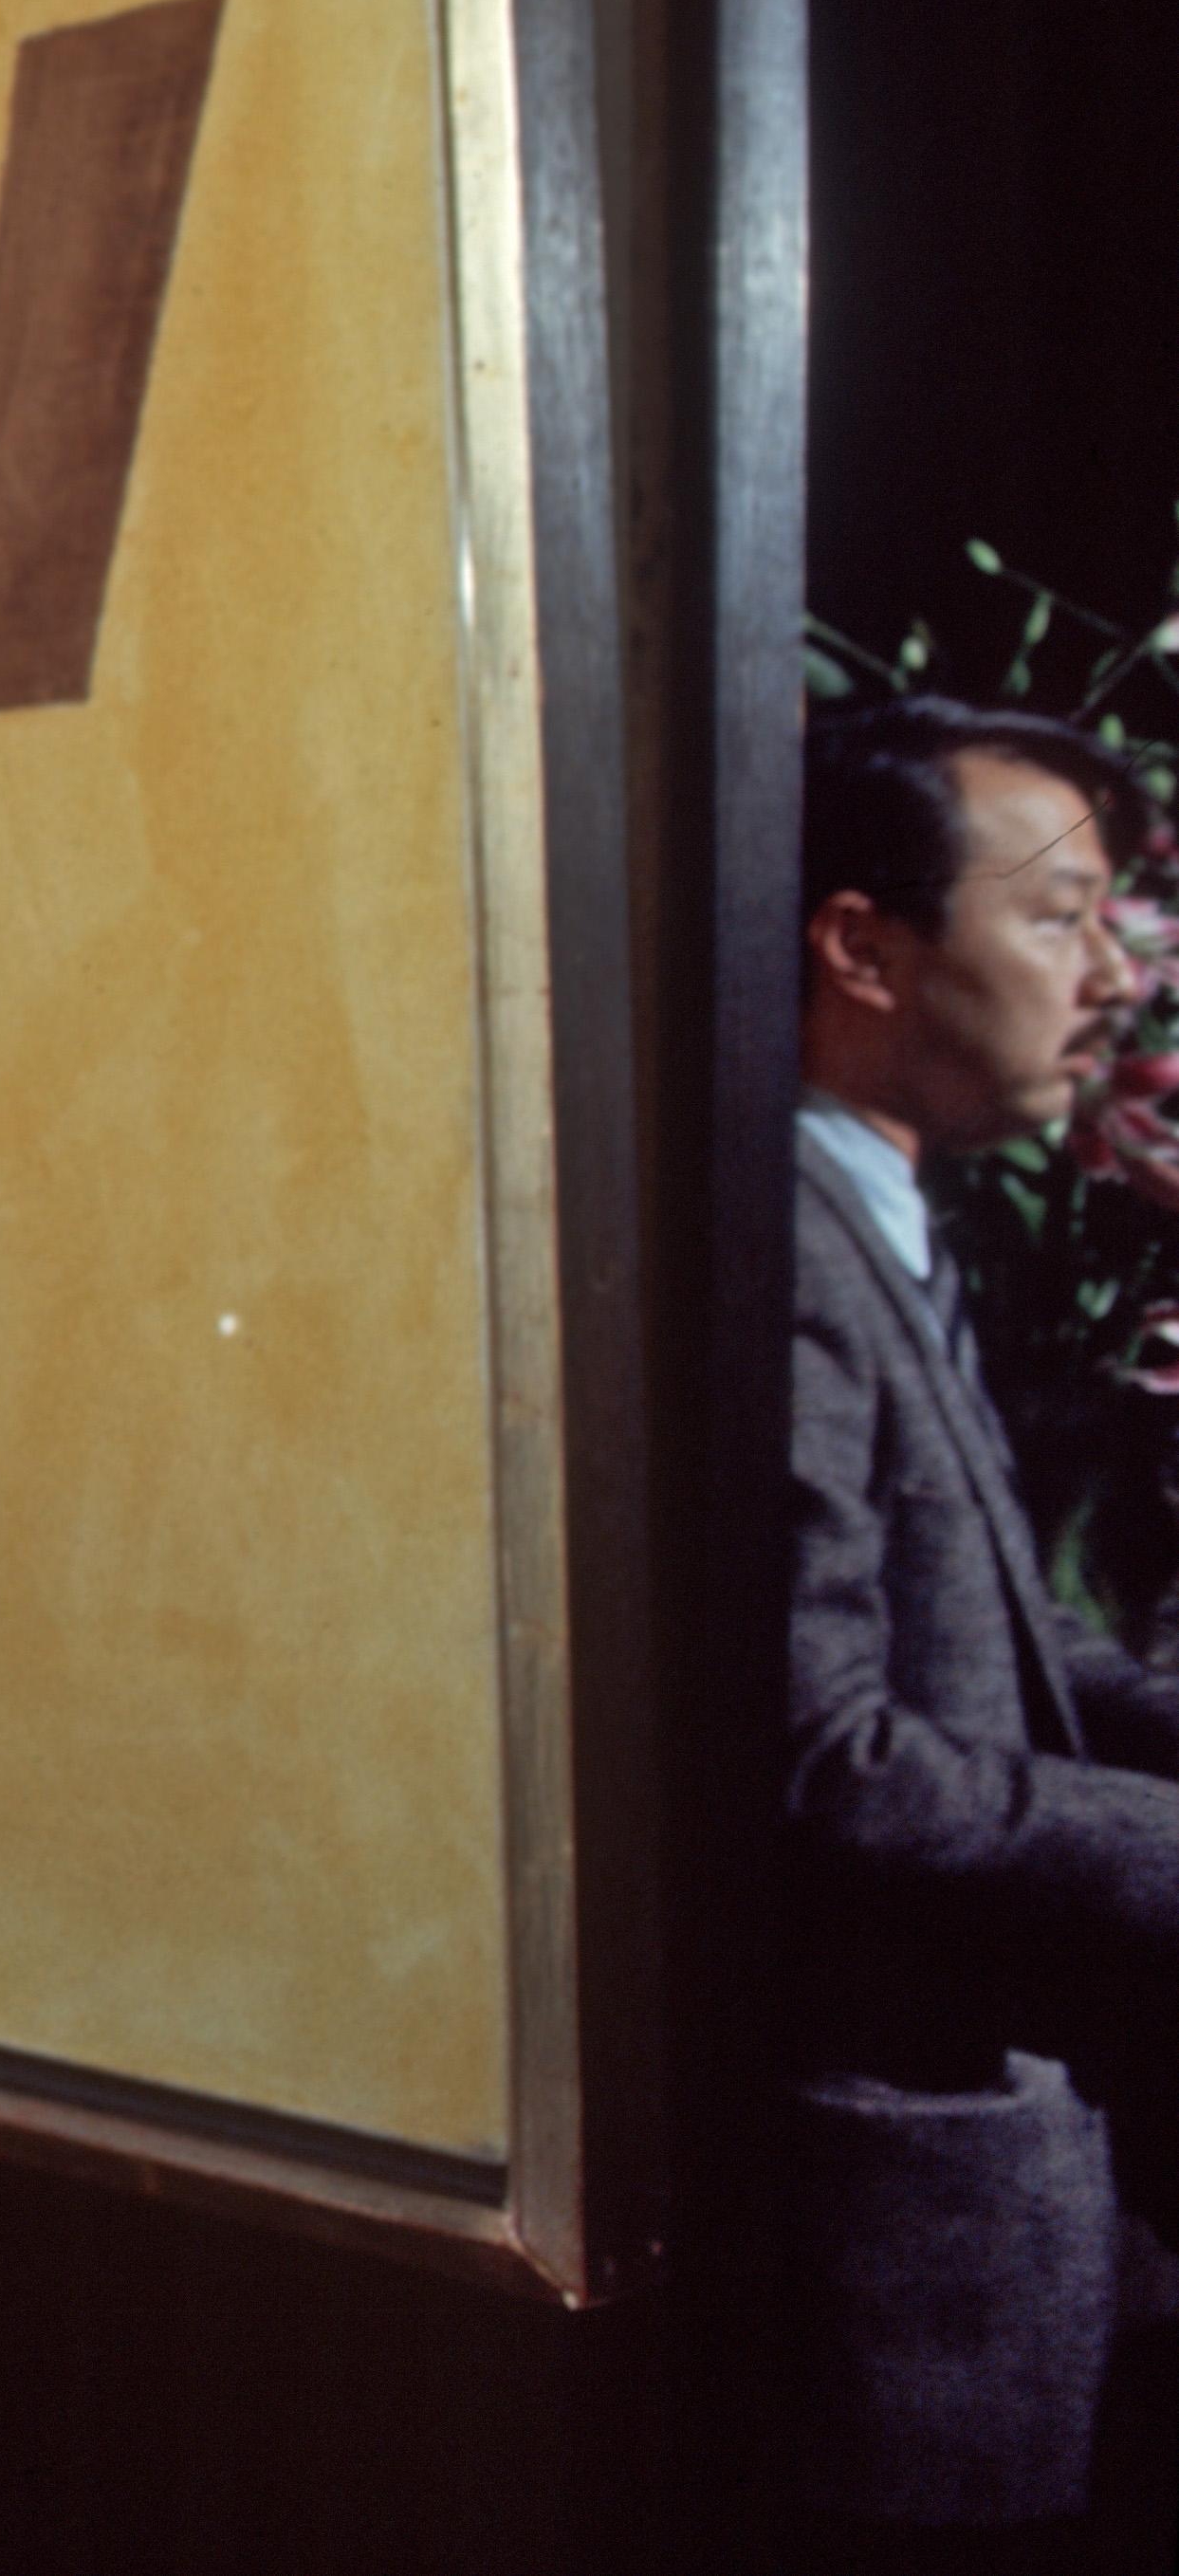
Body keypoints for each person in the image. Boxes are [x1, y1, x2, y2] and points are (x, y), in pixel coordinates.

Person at [783, 692, 1179, 2558]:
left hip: (1015, 2195)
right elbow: (823, 1753)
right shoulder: (776, 1243)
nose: (1112, 977)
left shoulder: (885, 1218)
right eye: (1060, 913)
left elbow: (1001, 1650)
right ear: (863, 942)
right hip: (899, 2231)